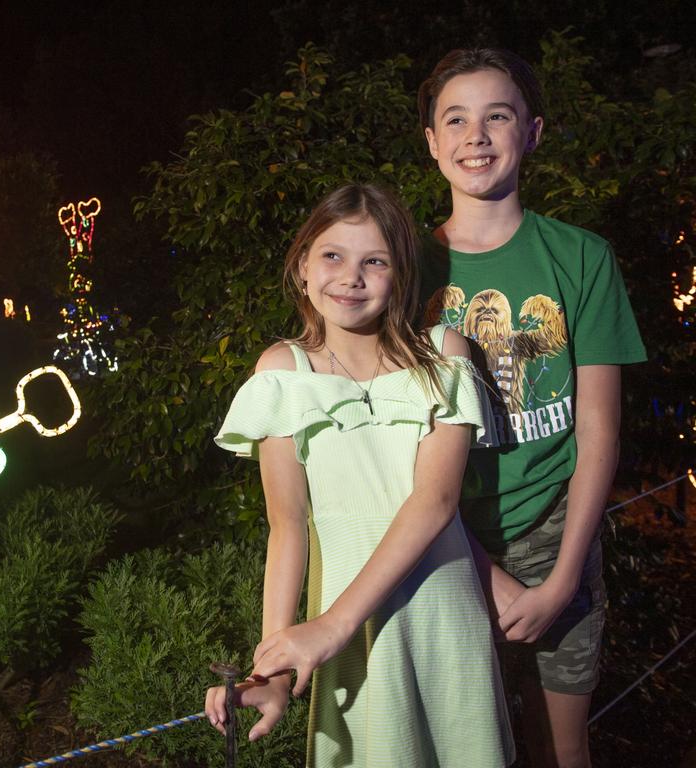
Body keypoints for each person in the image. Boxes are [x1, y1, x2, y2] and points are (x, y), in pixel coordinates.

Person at [205, 183, 515, 767]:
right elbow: (287, 525)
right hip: (345, 627)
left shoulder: (445, 353)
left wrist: (330, 626)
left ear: (400, 274)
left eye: (375, 260)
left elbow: (435, 500)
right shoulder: (281, 371)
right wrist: (271, 664)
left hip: (437, 609)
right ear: (302, 267)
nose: (352, 276)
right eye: (333, 256)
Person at [417, 49, 647, 768]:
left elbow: (600, 430)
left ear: (534, 132)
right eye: (455, 118)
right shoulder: (405, 269)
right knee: (466, 747)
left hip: (559, 534)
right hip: (446, 544)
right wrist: (483, 569)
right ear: (431, 141)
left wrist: (564, 575)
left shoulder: (581, 258)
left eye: (498, 116)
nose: (476, 135)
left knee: (561, 748)